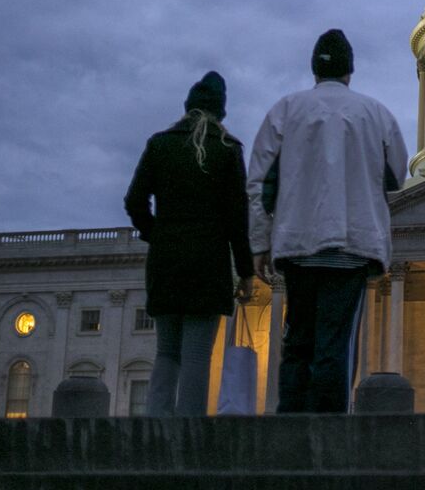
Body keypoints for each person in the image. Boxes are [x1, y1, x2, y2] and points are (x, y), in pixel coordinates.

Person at [246, 29, 409, 413]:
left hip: (298, 245)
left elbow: (257, 183)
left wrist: (259, 242)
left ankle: (291, 433)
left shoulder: (285, 109)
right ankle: (329, 438)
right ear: (350, 71)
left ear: (314, 71)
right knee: (335, 347)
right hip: (352, 246)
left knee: (297, 343)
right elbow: (397, 175)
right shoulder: (376, 114)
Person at [124, 72, 255, 415]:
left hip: (165, 260)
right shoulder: (227, 149)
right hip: (208, 263)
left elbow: (134, 201)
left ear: (189, 106)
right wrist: (245, 272)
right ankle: (189, 436)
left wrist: (157, 233)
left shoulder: (159, 144)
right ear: (220, 111)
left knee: (166, 351)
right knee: (197, 355)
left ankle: (153, 433)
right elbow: (237, 220)